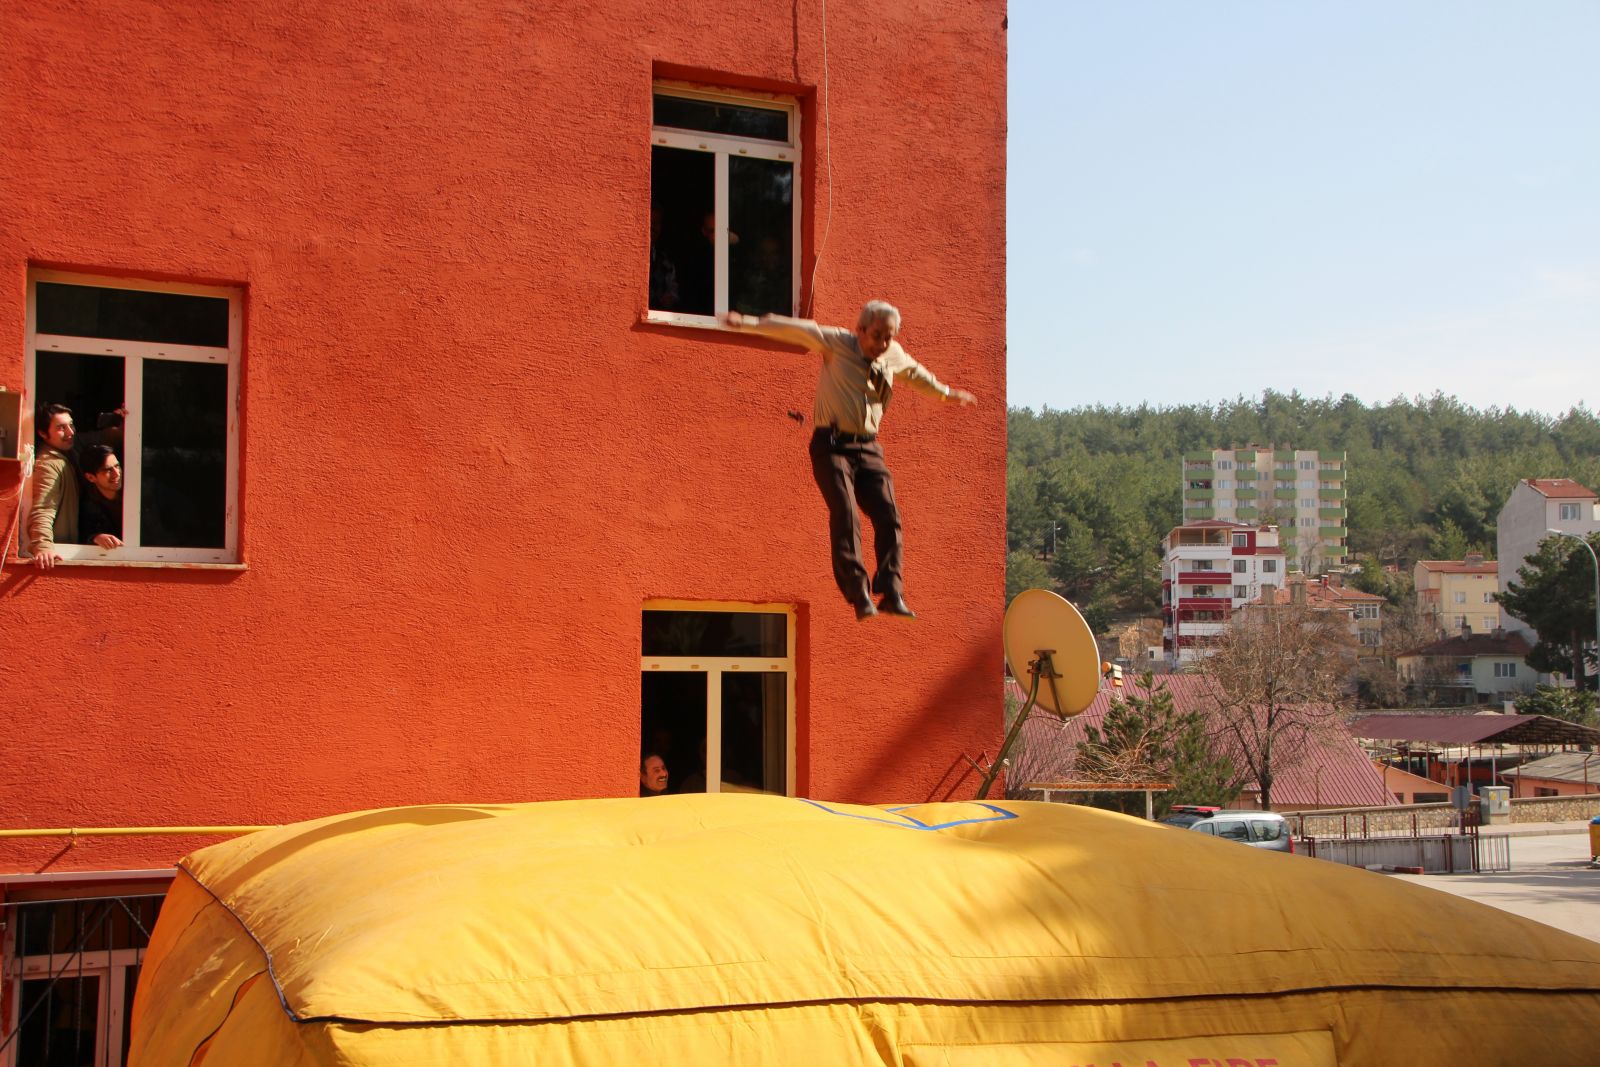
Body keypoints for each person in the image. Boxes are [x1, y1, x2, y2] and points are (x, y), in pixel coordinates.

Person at [721, 301, 976, 619]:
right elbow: (796, 330)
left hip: (867, 447)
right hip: (831, 446)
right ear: (860, 330)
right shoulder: (838, 343)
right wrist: (747, 322)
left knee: (889, 515)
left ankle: (891, 591)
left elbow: (914, 373)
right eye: (876, 336)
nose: (882, 344)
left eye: (888, 337)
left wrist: (946, 393)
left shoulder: (891, 354)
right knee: (846, 513)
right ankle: (858, 592)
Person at [27, 403, 79, 569]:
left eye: (71, 425)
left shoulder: (64, 454)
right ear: (43, 433)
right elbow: (43, 509)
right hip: (59, 556)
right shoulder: (48, 465)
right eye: (61, 428)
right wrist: (43, 547)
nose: (70, 432)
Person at [77, 444, 124, 549]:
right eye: (108, 470)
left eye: (117, 466)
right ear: (90, 477)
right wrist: (95, 537)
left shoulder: (137, 494)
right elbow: (85, 534)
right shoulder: (88, 507)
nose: (117, 473)